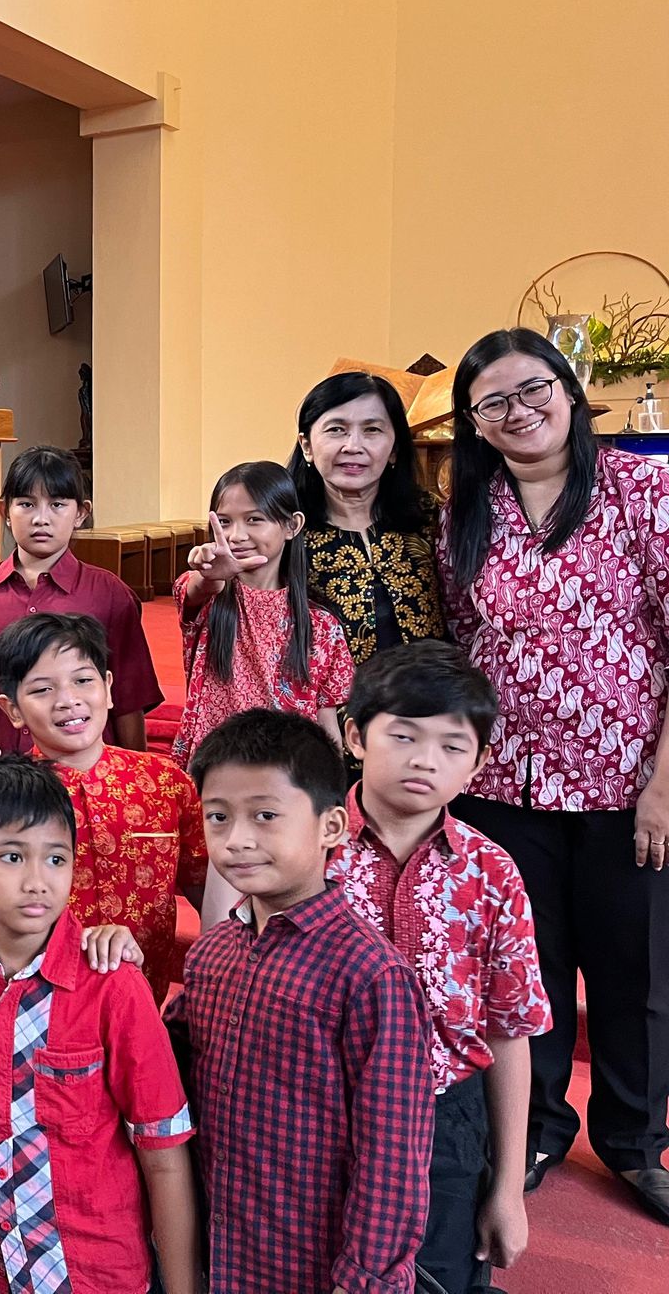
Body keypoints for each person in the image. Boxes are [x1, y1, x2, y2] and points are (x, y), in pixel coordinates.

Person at [438, 326, 669, 1221]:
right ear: (475, 423)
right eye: (493, 401)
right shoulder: (469, 513)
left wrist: (663, 786)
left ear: (569, 391)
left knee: (635, 971)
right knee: (524, 966)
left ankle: (634, 1141)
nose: (519, 410)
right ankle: (535, 1126)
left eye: (534, 388)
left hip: (624, 781)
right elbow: (465, 638)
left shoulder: (643, 491)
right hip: (506, 786)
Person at [0, 756, 199, 1294]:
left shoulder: (112, 984)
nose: (37, 881)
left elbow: (163, 1151)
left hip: (85, 1271)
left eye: (56, 858)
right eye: (12, 856)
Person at [172, 709, 435, 1294]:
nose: (237, 839)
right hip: (220, 1255)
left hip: (311, 1267)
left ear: (331, 826)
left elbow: (392, 1154)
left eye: (265, 816)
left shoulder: (369, 974)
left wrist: (364, 1279)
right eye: (218, 816)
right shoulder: (211, 953)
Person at [335, 642, 551, 1292]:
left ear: (479, 762)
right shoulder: (305, 852)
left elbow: (508, 1031)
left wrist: (507, 1188)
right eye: (403, 736)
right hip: (320, 1111)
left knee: (439, 1277)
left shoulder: (493, 873)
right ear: (355, 735)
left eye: (453, 746)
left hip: (446, 1122)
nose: (425, 760)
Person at [0, 612, 211, 997]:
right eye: (43, 689)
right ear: (13, 710)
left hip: (142, 1000)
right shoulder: (5, 796)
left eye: (83, 680)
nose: (67, 700)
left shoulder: (164, 781)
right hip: (36, 1003)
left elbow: (206, 887)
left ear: (107, 688)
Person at [0, 445, 161, 755]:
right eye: (26, 504)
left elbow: (129, 696)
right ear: (4, 512)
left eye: (57, 504)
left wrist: (137, 770)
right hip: (2, 768)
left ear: (80, 513)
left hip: (85, 771)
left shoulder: (109, 594)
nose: (41, 518)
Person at [173, 459, 354, 763]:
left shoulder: (322, 624)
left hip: (288, 771)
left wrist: (330, 780)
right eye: (224, 522)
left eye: (254, 519)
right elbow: (196, 588)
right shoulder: (210, 598)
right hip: (216, 767)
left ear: (292, 525)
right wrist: (210, 575)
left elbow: (327, 724)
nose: (236, 535)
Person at [289, 371, 447, 664]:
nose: (353, 446)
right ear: (307, 445)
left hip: (431, 690)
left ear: (394, 449)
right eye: (337, 429)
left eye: (372, 429)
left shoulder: (430, 516)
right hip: (323, 694)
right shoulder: (284, 529)